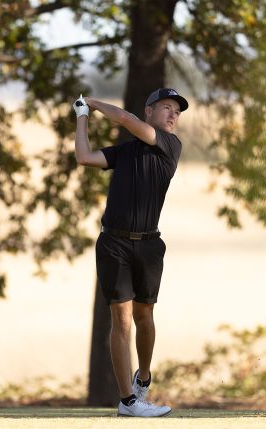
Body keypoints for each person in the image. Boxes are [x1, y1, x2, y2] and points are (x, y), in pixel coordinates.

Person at [73, 88, 189, 417]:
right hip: (114, 244)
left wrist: (93, 103)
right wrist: (82, 118)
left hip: (150, 245)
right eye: (166, 107)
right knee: (121, 320)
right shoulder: (125, 152)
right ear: (149, 111)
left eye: (176, 111)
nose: (172, 115)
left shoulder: (171, 146)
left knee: (144, 318)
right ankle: (128, 401)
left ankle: (144, 377)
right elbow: (84, 157)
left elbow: (124, 118)